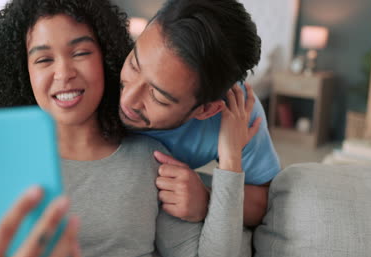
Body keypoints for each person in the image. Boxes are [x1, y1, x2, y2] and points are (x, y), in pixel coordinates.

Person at [0, 0, 256, 257]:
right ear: (24, 72)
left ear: (107, 56)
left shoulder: (151, 161)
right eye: (44, 59)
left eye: (81, 52)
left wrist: (230, 161)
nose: (64, 73)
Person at [118, 0, 281, 226]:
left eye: (158, 96)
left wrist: (207, 198)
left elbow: (264, 201)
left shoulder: (237, 114)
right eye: (134, 65)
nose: (127, 98)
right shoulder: (99, 67)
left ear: (206, 110)